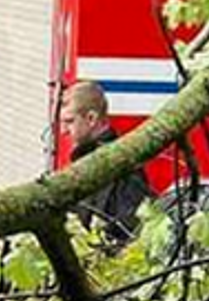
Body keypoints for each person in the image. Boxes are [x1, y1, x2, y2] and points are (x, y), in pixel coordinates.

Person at [58, 80, 154, 246]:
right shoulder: (86, 162)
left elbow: (129, 231)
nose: (63, 131)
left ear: (91, 118)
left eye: (69, 122)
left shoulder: (123, 168)